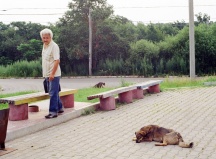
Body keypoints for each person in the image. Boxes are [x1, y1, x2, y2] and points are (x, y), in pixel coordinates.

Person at [40, 28, 64, 119]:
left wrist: (52, 74)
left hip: (53, 74)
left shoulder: (54, 46)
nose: (45, 39)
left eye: (47, 38)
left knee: (53, 93)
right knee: (54, 92)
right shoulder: (45, 45)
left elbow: (57, 61)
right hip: (47, 74)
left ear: (51, 37)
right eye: (44, 37)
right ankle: (60, 107)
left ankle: (53, 112)